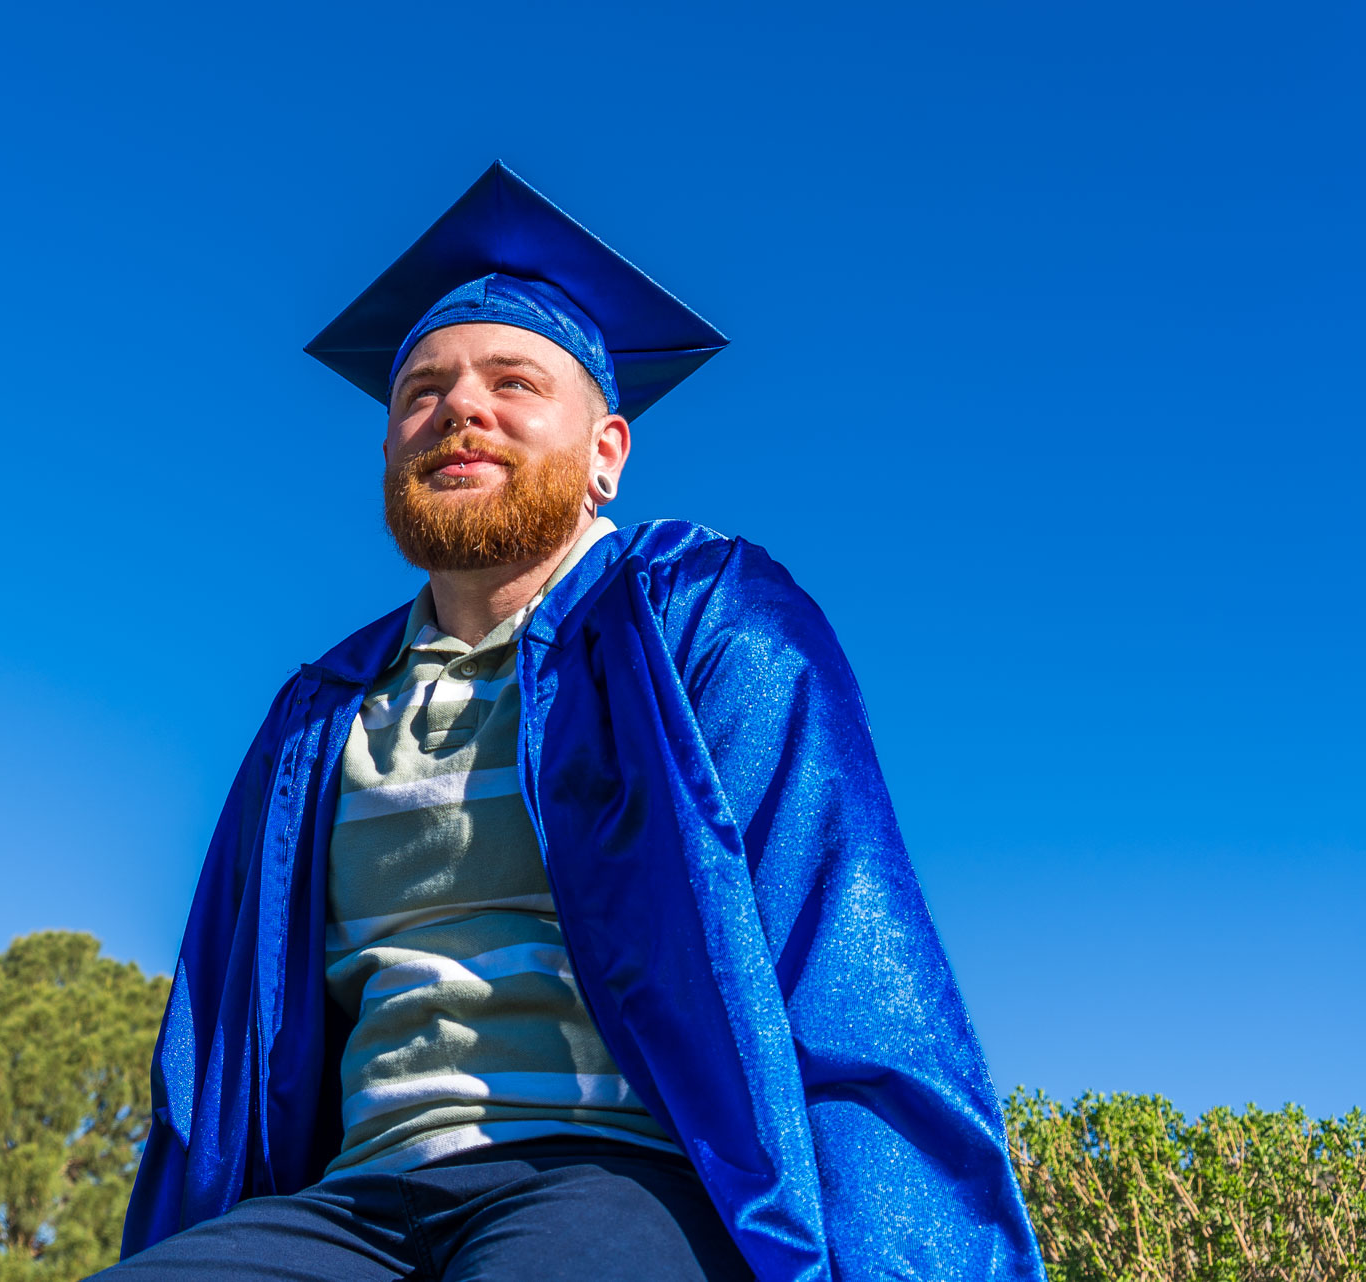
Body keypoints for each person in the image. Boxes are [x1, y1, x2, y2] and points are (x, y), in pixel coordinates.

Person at [89, 163, 1046, 1281]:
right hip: (350, 1205)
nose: (461, 410)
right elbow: (215, 1063)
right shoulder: (319, 715)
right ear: (391, 447)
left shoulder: (698, 620)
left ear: (607, 453)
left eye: (514, 381)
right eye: (422, 392)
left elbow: (845, 965)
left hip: (623, 1176)